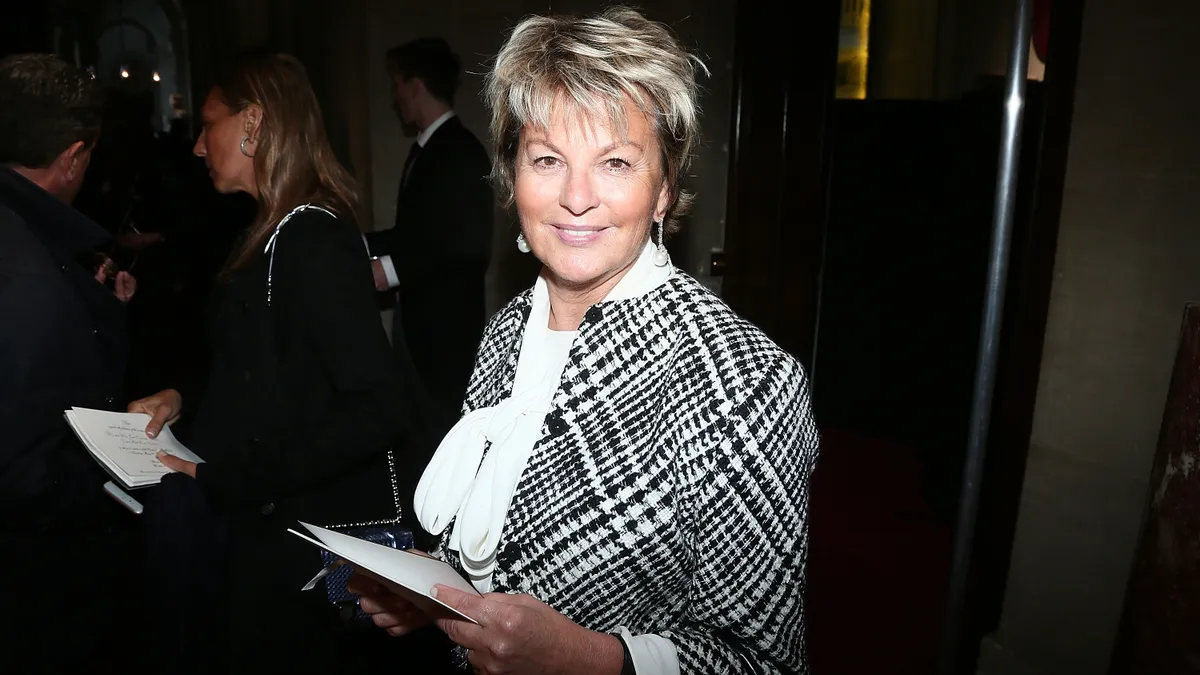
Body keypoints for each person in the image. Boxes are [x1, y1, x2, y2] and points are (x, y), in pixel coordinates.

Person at [350, 7, 821, 674]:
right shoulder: (506, 329)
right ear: (513, 177)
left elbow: (764, 661)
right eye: (547, 158)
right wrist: (437, 594)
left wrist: (592, 658)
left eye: (615, 162)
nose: (575, 197)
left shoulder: (745, 382)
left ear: (662, 190)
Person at [128, 52, 410, 671]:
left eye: (209, 124)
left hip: (297, 545)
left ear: (253, 122)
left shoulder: (311, 237)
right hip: (269, 532)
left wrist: (224, 480)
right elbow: (262, 371)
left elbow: (376, 406)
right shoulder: (272, 229)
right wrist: (183, 399)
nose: (199, 147)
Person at [0, 53, 139, 674]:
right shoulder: (29, 278)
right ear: (73, 157)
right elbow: (22, 471)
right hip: (35, 587)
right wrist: (114, 491)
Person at [365, 37, 494, 428]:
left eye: (397, 85)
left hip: (444, 341)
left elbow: (465, 246)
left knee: (439, 442)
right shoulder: (427, 148)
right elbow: (414, 234)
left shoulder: (461, 152)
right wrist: (349, 243)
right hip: (418, 331)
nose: (395, 97)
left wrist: (386, 270)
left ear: (414, 85)